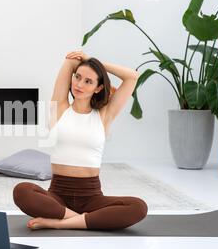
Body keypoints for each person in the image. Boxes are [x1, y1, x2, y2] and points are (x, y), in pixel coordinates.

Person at [13, 51, 148, 230]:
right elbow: (70, 61)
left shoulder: (104, 115)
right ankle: (82, 220)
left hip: (92, 197)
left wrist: (96, 63)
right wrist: (84, 62)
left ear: (98, 88)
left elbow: (132, 77)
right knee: (22, 191)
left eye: (88, 81)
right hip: (57, 196)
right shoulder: (60, 108)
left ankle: (59, 223)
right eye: (77, 77)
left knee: (138, 207)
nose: (79, 84)